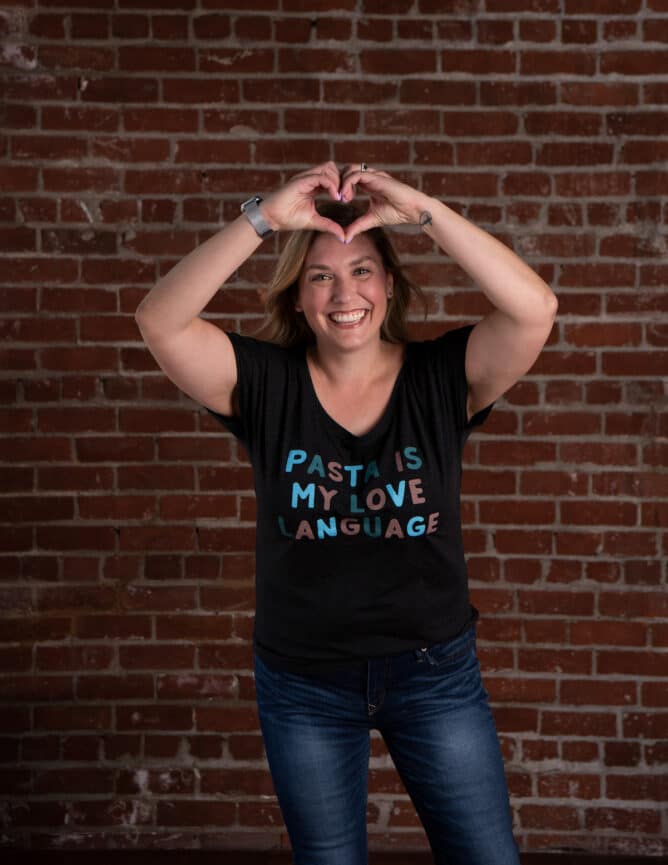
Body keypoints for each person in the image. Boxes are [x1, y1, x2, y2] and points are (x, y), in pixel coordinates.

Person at [135, 161, 558, 865]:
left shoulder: (440, 377)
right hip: (304, 682)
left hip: (433, 671)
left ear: (389, 287)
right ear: (298, 298)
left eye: (363, 270)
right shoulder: (265, 383)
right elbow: (159, 318)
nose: (345, 293)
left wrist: (423, 210)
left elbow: (535, 309)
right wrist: (264, 219)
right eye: (321, 276)